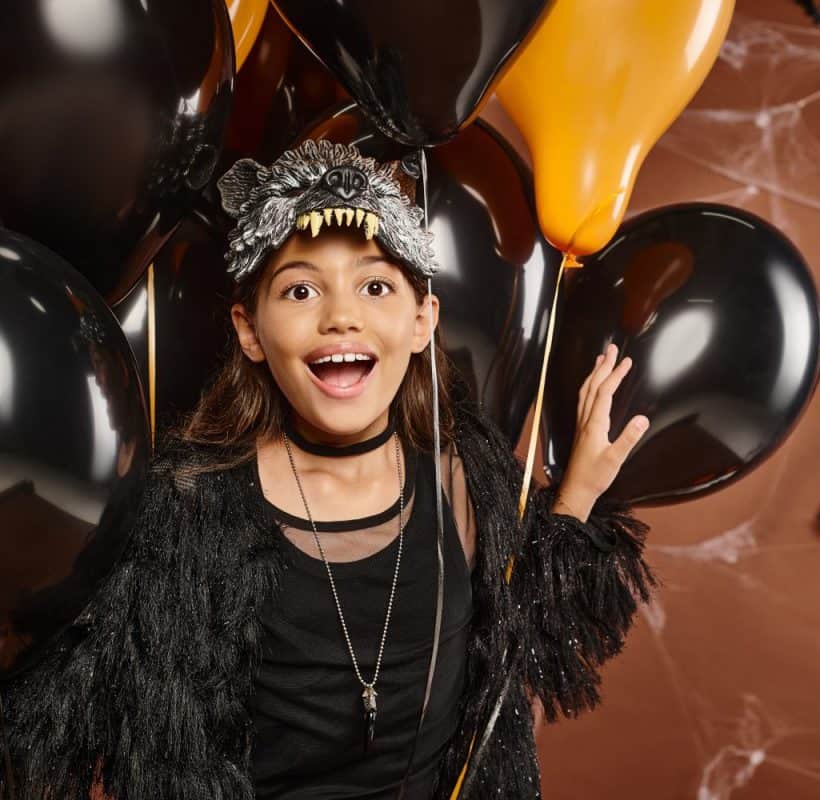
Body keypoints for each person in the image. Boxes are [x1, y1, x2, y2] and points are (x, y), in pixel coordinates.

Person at [1, 140, 656, 799]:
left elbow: (521, 637)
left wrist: (577, 495)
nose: (341, 316)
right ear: (250, 329)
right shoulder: (190, 510)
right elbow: (85, 710)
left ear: (422, 320)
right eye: (301, 290)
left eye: (374, 287)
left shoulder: (466, 472)